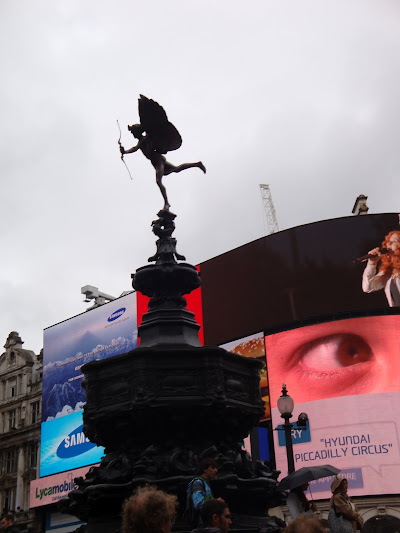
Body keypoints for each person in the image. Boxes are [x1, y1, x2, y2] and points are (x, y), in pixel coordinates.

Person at [362, 230, 400, 307]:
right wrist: (372, 263)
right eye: (388, 241)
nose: (388, 244)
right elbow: (368, 287)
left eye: (394, 241)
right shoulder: (389, 272)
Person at [184, 458, 218, 527]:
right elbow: (198, 504)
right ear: (205, 469)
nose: (216, 470)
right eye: (213, 468)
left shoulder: (206, 483)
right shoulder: (198, 483)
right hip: (200, 524)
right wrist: (216, 502)